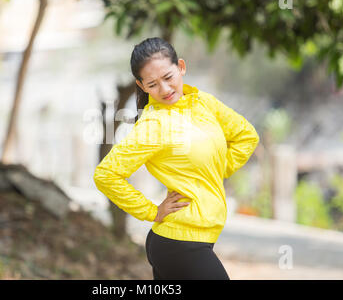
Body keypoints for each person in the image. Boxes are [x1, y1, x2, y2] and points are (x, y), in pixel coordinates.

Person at [93, 37, 259, 280]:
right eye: (153, 84)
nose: (165, 90)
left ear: (181, 67)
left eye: (168, 77)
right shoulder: (153, 124)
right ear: (141, 85)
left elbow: (246, 135)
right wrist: (152, 211)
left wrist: (215, 171)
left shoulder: (203, 102)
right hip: (177, 242)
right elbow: (105, 175)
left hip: (195, 240)